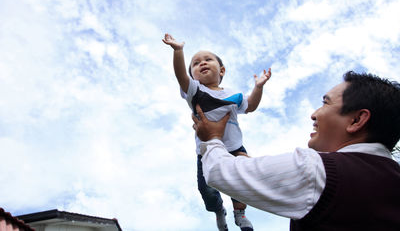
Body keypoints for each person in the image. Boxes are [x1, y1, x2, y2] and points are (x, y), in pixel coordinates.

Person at [192, 71, 400, 231]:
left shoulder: (317, 170)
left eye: (325, 103)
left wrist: (212, 139)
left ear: (356, 120)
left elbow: (220, 172)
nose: (314, 114)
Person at [163, 33, 271, 231]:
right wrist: (178, 51)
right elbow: (180, 75)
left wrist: (258, 87)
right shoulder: (195, 90)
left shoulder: (233, 94)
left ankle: (240, 213)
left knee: (241, 180)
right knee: (208, 190)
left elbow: (251, 106)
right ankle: (219, 211)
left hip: (234, 147)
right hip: (206, 152)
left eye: (208, 60)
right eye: (195, 63)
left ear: (221, 70)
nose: (202, 63)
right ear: (193, 75)